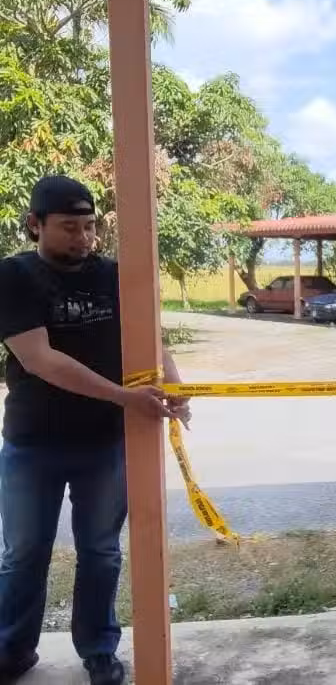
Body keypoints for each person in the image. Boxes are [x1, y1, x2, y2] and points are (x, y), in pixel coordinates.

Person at [0, 175, 189, 685]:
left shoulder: (114, 275)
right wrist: (125, 397)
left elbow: (150, 338)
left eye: (89, 226)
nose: (83, 238)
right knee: (23, 555)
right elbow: (40, 360)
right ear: (35, 224)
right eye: (69, 227)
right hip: (32, 444)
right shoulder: (14, 276)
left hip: (105, 444)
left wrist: (175, 386)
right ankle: (12, 649)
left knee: (101, 552)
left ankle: (99, 649)